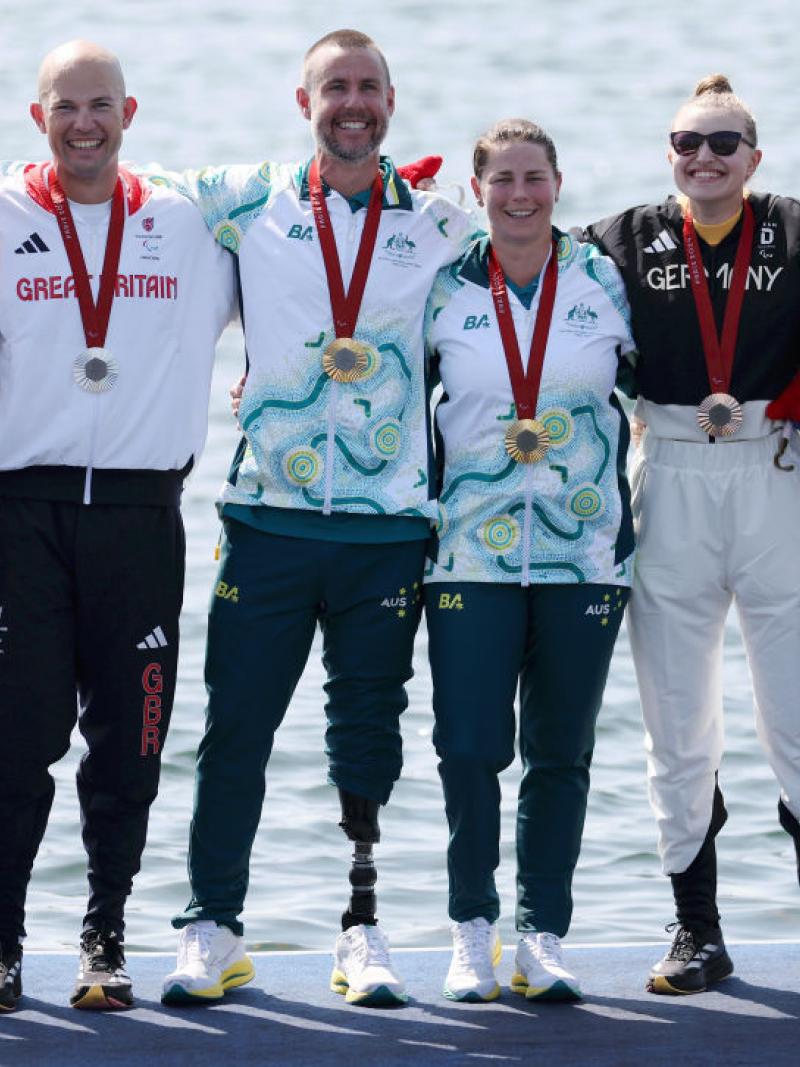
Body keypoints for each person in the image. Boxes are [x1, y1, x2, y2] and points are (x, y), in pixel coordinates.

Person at [158, 29, 474, 1008]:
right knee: (234, 730)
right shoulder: (244, 199)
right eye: (333, 86)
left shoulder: (437, 224)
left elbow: (528, 282)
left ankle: (362, 927)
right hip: (269, 519)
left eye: (368, 87)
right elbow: (126, 188)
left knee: (365, 738)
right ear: (304, 102)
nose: (352, 102)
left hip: (387, 532)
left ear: (390, 100)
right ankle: (212, 925)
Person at [0, 40, 234, 1013]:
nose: (84, 123)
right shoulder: (4, 214)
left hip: (142, 514)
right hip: (24, 514)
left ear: (128, 116)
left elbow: (296, 277)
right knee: (16, 737)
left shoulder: (184, 224)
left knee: (132, 742)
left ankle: (105, 930)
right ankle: (4, 938)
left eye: (102, 105)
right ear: (37, 117)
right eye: (67, 106)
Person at [586, 75, 800, 995]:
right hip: (668, 470)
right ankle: (696, 929)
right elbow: (519, 274)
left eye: (723, 143)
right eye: (686, 142)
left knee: (796, 713)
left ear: (755, 155)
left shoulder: (794, 228)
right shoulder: (620, 240)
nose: (703, 159)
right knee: (678, 722)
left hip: (777, 472)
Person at [422, 119, 636, 1002]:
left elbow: (690, 362)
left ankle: (542, 933)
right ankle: (473, 927)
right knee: (470, 748)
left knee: (561, 751)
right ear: (478, 189)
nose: (519, 194)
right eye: (502, 177)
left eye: (534, 177)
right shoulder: (440, 287)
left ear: (558, 182)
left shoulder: (606, 282)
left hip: (584, 555)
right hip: (469, 550)